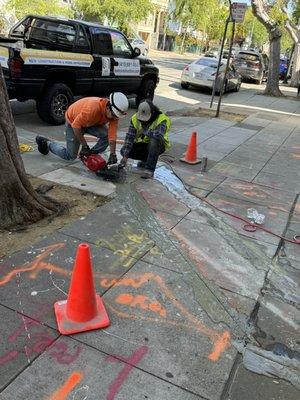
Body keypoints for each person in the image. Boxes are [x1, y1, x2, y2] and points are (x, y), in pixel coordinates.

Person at [35, 92, 129, 164]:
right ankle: (47, 143)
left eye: (116, 117)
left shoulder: (114, 114)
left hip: (92, 123)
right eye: (113, 115)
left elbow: (112, 136)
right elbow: (76, 126)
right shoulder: (92, 109)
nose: (114, 118)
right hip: (73, 122)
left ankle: (90, 154)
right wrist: (84, 145)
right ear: (108, 108)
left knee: (106, 136)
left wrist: (113, 154)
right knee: (70, 156)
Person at [120, 100, 171, 178]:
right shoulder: (135, 118)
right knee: (123, 151)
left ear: (152, 113)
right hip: (143, 145)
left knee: (154, 141)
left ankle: (149, 170)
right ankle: (145, 160)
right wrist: (125, 157)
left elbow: (158, 136)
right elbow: (129, 137)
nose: (143, 122)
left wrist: (144, 131)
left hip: (158, 146)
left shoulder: (161, 119)